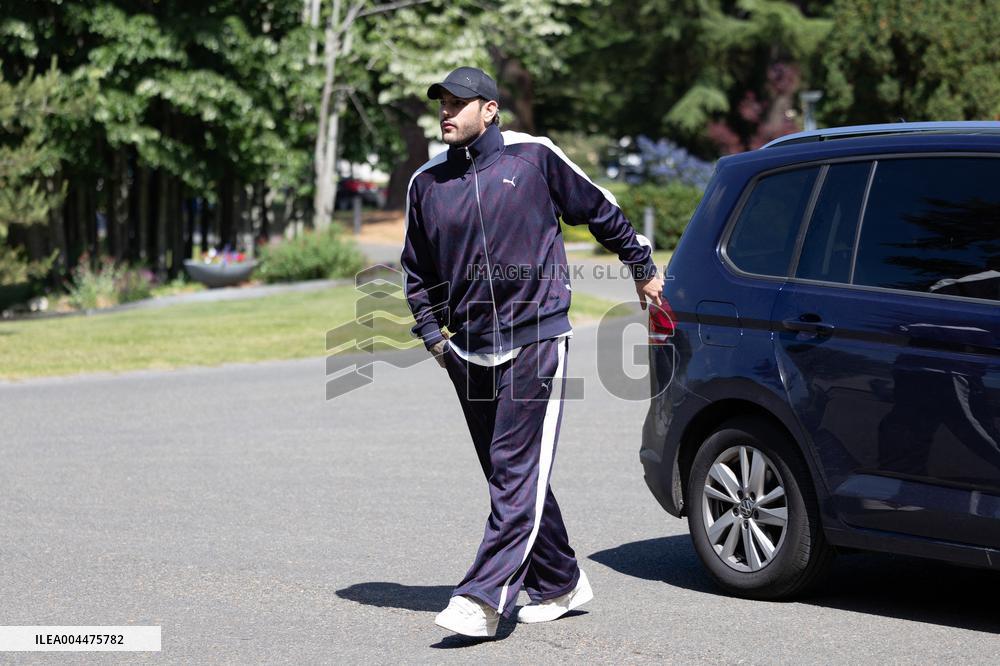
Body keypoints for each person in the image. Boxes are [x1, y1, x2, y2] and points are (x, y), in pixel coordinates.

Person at [400, 66, 663, 638]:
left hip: (536, 337)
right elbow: (415, 270)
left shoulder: (533, 158)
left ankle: (483, 595)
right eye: (441, 104)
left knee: (516, 470)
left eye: (457, 104)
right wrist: (434, 338)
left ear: (490, 110)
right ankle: (559, 579)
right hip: (466, 350)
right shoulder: (426, 184)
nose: (446, 113)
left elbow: (598, 207)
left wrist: (640, 266)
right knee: (510, 474)